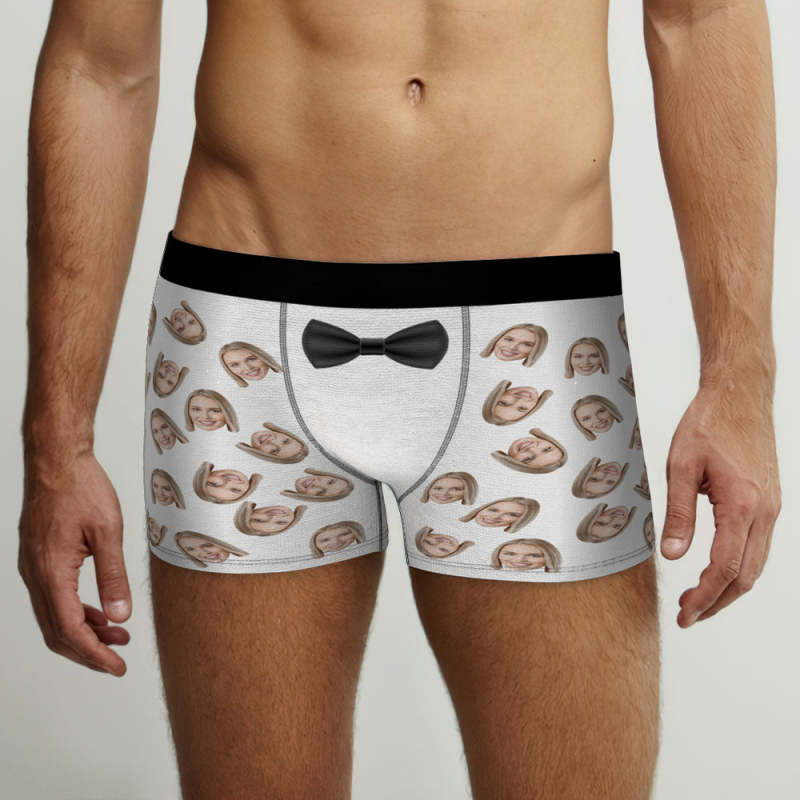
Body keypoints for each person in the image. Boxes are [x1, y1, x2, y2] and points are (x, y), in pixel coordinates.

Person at [17, 2, 782, 799]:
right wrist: (57, 447)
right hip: (241, 339)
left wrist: (741, 379)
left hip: (539, 342)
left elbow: (702, 16)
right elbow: (99, 64)